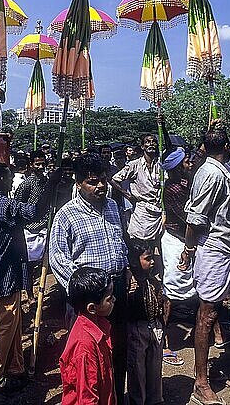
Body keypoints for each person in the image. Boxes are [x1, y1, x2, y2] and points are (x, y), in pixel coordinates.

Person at [49, 153, 128, 405]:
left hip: (114, 295)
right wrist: (88, 291)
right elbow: (57, 258)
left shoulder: (113, 206)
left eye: (103, 179)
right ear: (79, 183)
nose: (101, 186)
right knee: (88, 362)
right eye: (93, 181)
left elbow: (120, 243)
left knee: (116, 355)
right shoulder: (67, 215)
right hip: (88, 304)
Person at [0, 162, 62, 395]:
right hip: (1, 275)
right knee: (1, 327)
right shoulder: (2, 204)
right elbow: (34, 212)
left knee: (12, 324)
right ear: (3, 181)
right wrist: (52, 185)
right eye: (8, 177)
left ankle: (14, 368)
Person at [185, 128, 230, 405]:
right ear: (228, 146)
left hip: (222, 247)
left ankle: (206, 370)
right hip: (213, 249)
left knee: (214, 311)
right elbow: (195, 218)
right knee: (206, 315)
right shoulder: (211, 173)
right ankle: (200, 383)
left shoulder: (215, 170)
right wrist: (188, 249)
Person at [60, 267, 116, 405]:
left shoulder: (97, 327)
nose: (114, 299)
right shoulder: (85, 347)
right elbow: (87, 398)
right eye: (109, 298)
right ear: (92, 308)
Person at [160, 147, 196, 366]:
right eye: (185, 163)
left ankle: (214, 332)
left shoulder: (185, 183)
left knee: (200, 287)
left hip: (188, 240)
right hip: (176, 241)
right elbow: (188, 218)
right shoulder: (172, 189)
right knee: (172, 289)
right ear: (176, 168)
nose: (189, 165)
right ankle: (163, 341)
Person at [127, 240, 164, 405]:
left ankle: (155, 399)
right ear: (135, 261)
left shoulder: (152, 281)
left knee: (155, 366)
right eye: (148, 259)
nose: (153, 262)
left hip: (154, 326)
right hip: (137, 329)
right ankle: (138, 401)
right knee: (137, 369)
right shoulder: (130, 283)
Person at [112, 134, 162, 243]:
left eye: (153, 142)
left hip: (158, 211)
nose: (151, 144)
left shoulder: (160, 165)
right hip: (141, 212)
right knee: (141, 247)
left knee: (157, 246)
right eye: (148, 142)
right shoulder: (134, 165)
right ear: (143, 146)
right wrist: (127, 195)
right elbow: (114, 180)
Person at [15, 149, 48, 300]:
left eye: (43, 164)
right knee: (28, 265)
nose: (41, 167)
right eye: (38, 164)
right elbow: (18, 205)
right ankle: (29, 294)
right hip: (30, 229)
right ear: (31, 165)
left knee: (44, 262)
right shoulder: (25, 185)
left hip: (45, 226)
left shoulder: (47, 182)